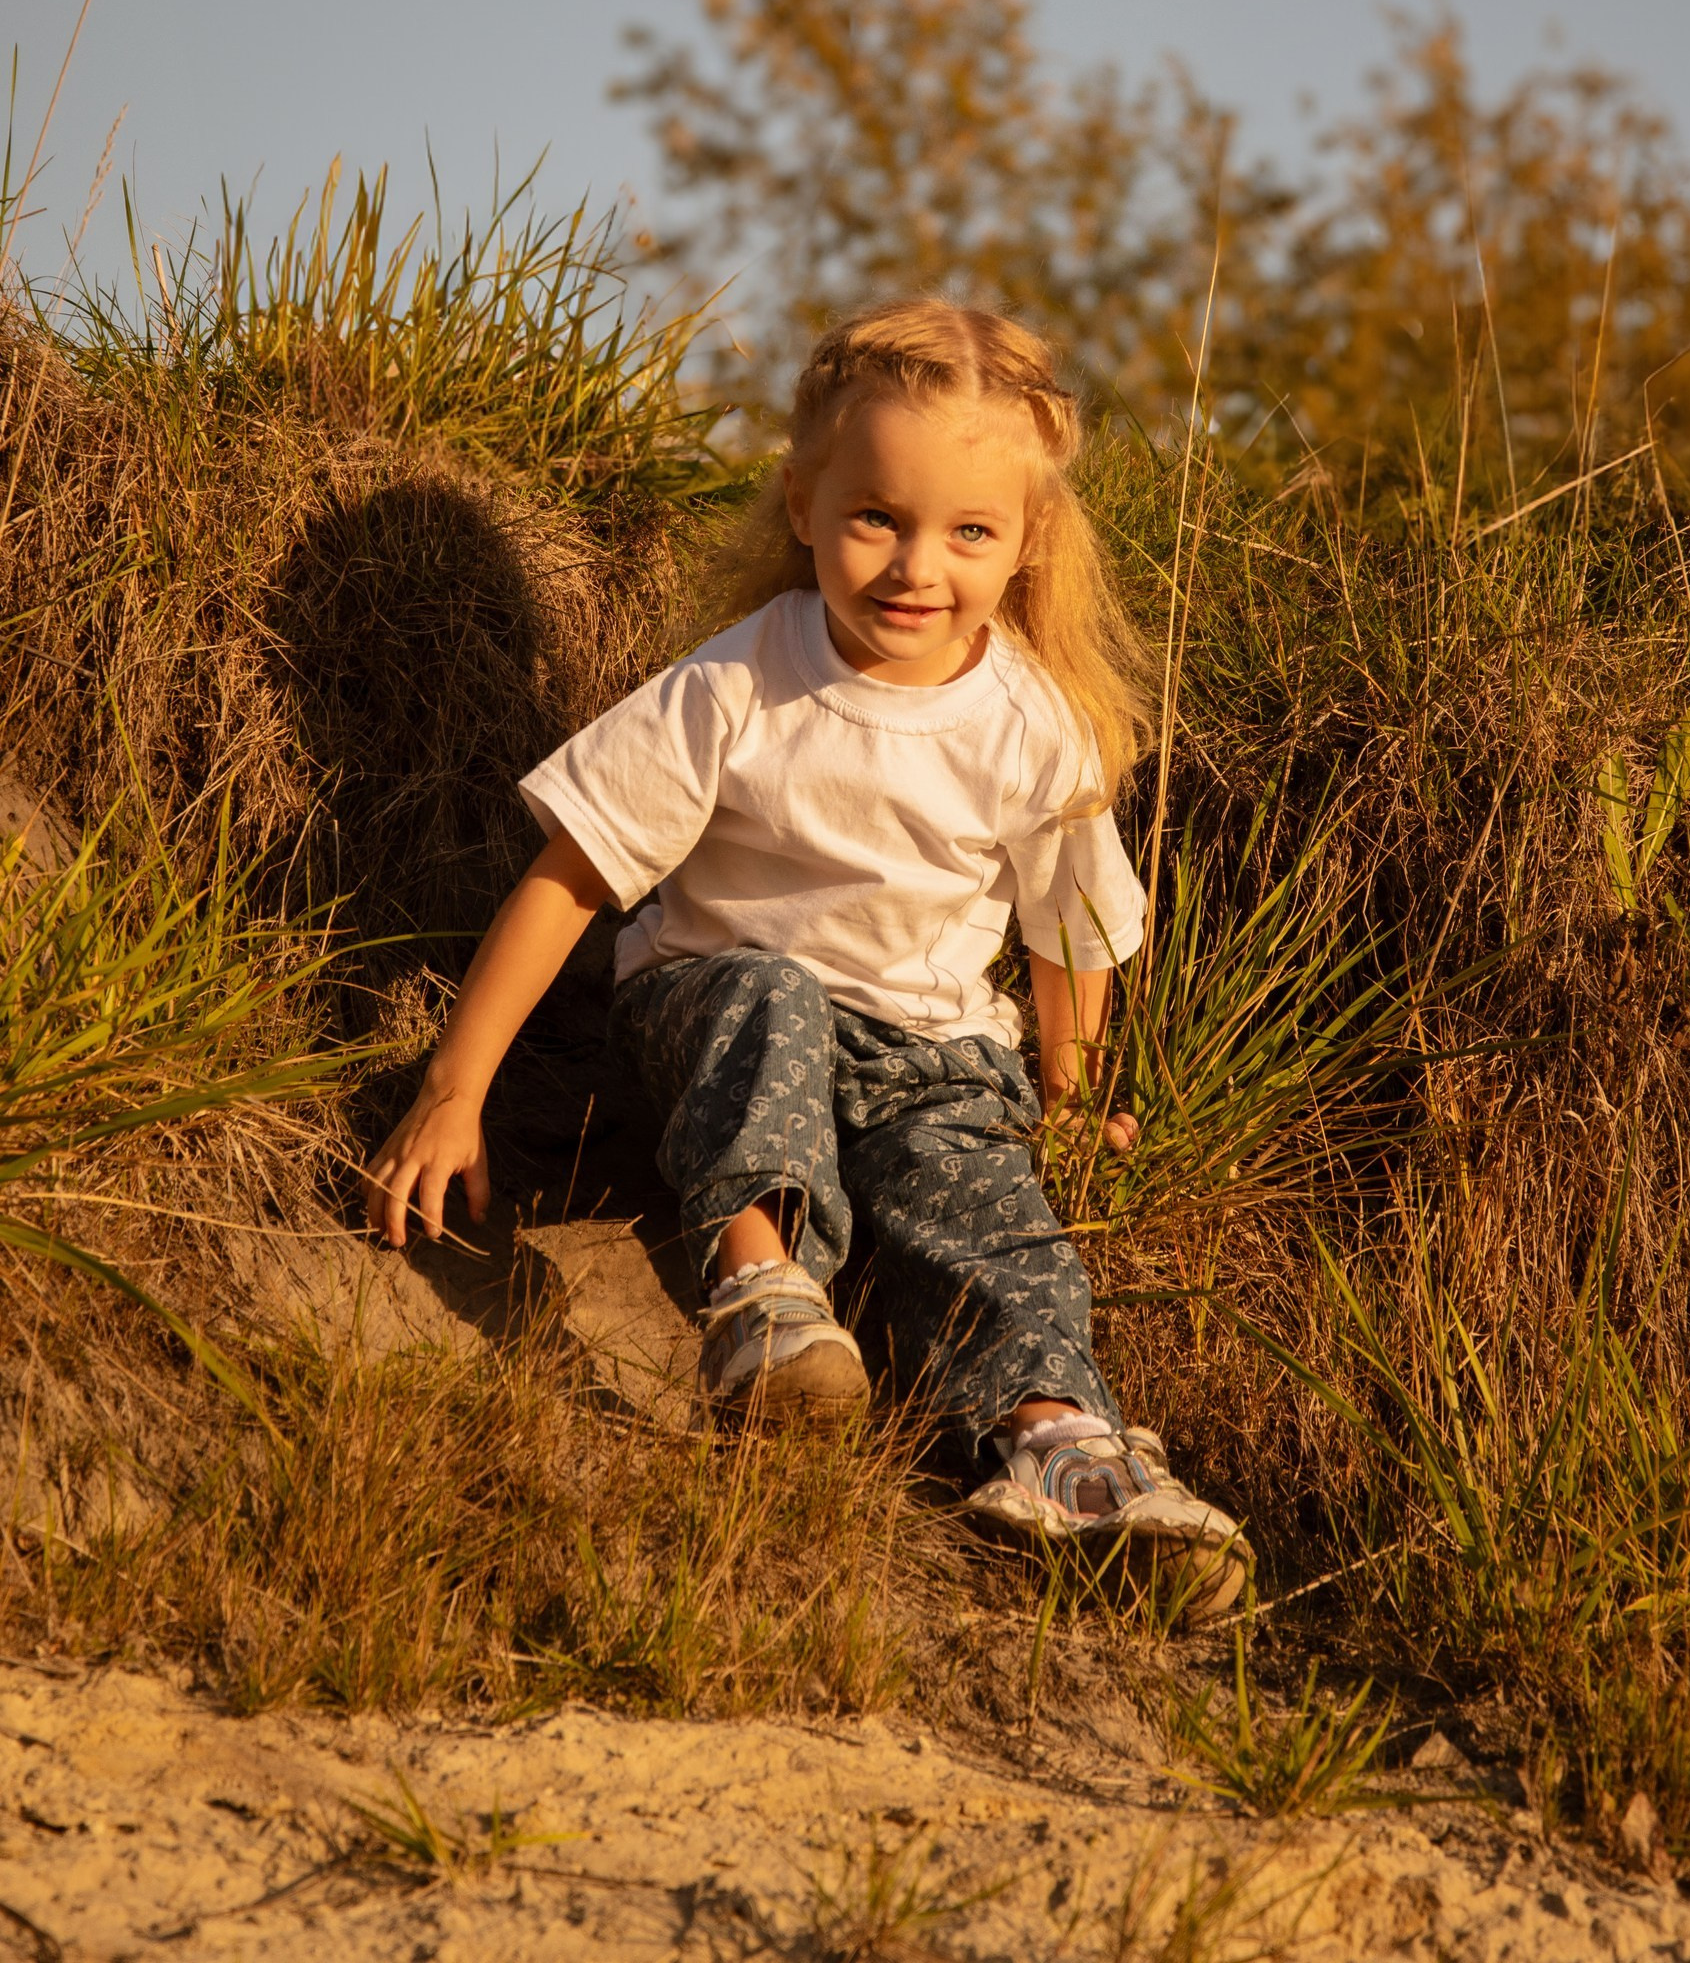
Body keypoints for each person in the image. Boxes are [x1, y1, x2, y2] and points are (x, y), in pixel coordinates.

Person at [363, 300, 1251, 1622]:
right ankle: (761, 1294)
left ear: (1025, 544)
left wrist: (1067, 1082)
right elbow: (570, 879)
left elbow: (1068, 924)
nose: (914, 566)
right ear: (801, 504)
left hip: (931, 1048)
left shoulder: (1034, 725)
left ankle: (1062, 1446)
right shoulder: (732, 689)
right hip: (711, 1007)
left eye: (968, 531)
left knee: (981, 1203)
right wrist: (455, 1086)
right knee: (766, 1001)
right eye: (875, 517)